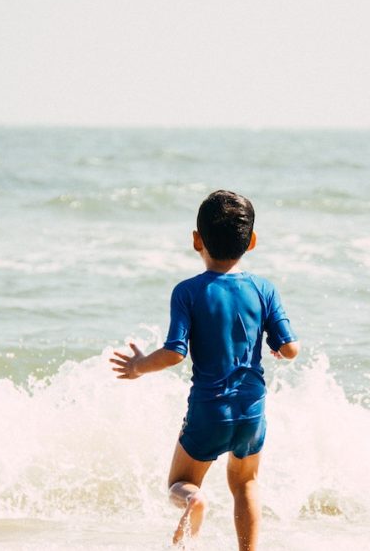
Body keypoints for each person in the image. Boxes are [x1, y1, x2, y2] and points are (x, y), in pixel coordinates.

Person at [110, 190, 300, 551]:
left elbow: (174, 353)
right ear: (252, 242)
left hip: (209, 411)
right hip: (252, 409)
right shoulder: (264, 289)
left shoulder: (188, 292)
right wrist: (277, 344)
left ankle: (193, 502)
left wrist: (138, 366)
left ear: (196, 240)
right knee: (245, 483)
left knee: (179, 484)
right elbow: (290, 349)